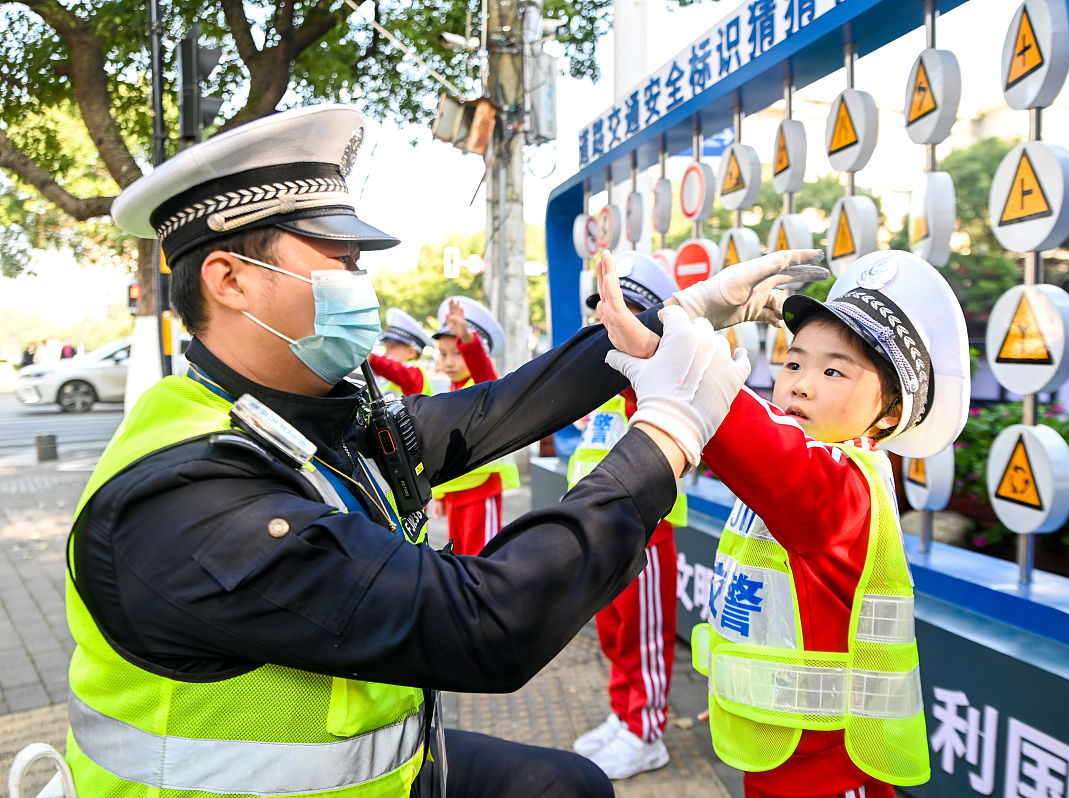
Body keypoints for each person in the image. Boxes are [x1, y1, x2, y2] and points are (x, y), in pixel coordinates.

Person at [70, 103, 816, 798]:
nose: (362, 281)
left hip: (388, 771)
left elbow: (494, 411)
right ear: (228, 279)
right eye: (340, 258)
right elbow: (489, 625)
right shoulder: (192, 501)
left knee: (571, 786)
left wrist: (682, 312)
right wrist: (669, 435)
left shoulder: (300, 424)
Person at [597, 249, 969, 798]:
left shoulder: (847, 491)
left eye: (833, 370)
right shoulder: (804, 464)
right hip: (775, 758)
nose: (799, 384)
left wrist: (672, 332)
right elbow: (710, 419)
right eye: (793, 363)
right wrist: (657, 348)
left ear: (889, 413)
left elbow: (734, 424)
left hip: (833, 776)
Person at [567, 252, 689, 779]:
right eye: (601, 313)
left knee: (643, 639)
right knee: (616, 637)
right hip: (601, 539)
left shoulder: (652, 382)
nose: (608, 322)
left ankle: (646, 733)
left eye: (625, 311)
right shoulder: (602, 389)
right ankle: (624, 717)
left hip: (645, 537)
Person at [427, 295, 518, 555]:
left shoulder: (484, 386)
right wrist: (442, 496)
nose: (449, 361)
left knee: (481, 558)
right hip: (456, 493)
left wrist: (466, 338)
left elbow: (481, 368)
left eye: (458, 353)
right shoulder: (448, 392)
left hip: (480, 490)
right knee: (460, 555)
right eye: (443, 354)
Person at [368, 307, 435, 396]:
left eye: (392, 347)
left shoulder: (414, 371)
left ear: (411, 352)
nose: (386, 353)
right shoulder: (394, 379)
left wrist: (372, 358)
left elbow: (397, 369)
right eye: (386, 348)